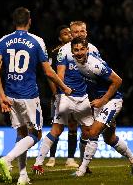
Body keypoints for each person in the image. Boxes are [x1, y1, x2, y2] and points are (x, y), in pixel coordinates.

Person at [0, 7, 72, 185]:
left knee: (21, 133)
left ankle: (22, 176)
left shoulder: (3, 41)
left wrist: (1, 95)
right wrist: (64, 87)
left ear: (14, 21)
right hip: (29, 95)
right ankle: (8, 159)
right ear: (29, 21)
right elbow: (48, 72)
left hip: (10, 95)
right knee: (35, 134)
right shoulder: (37, 41)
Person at [32, 21, 98, 175]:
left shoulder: (93, 50)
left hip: (84, 97)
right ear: (71, 33)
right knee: (57, 129)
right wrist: (61, 92)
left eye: (82, 31)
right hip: (66, 96)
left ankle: (83, 165)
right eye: (75, 32)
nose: (79, 34)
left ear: (86, 32)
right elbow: (59, 74)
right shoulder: (64, 51)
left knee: (87, 131)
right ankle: (38, 163)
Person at [70, 37, 133, 177]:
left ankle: (82, 169)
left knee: (93, 132)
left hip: (112, 101)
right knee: (110, 138)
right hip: (100, 102)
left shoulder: (94, 65)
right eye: (76, 50)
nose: (79, 53)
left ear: (87, 49)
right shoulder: (77, 62)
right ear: (72, 51)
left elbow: (118, 81)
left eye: (82, 49)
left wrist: (103, 100)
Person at [45, 25, 79, 168]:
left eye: (70, 33)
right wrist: (55, 91)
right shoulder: (54, 52)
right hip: (59, 94)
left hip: (75, 93)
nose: (69, 36)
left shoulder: (77, 50)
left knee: (73, 125)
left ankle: (70, 159)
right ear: (60, 38)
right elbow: (50, 74)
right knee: (57, 125)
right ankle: (51, 158)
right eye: (65, 34)